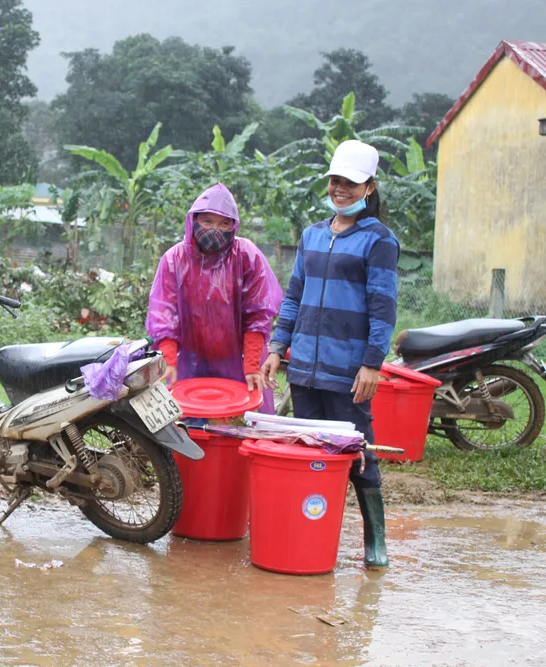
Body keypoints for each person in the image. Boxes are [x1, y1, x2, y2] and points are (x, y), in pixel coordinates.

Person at [261, 139, 399, 569]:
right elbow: (293, 297)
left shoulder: (378, 241)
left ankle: (375, 539)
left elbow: (383, 307)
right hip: (303, 366)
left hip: (348, 369)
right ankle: (315, 533)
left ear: (369, 188)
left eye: (351, 183)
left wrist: (372, 363)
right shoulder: (313, 235)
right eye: (336, 181)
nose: (340, 189)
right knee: (311, 453)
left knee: (357, 449)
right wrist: (277, 347)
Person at [146, 183, 283, 411]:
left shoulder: (246, 256)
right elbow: (164, 315)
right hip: (187, 361)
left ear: (233, 226)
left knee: (241, 427)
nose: (215, 230)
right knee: (189, 427)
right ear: (194, 221)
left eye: (224, 223)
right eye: (207, 221)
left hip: (240, 363)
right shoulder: (174, 260)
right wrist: (169, 361)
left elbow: (258, 314)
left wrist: (250, 365)